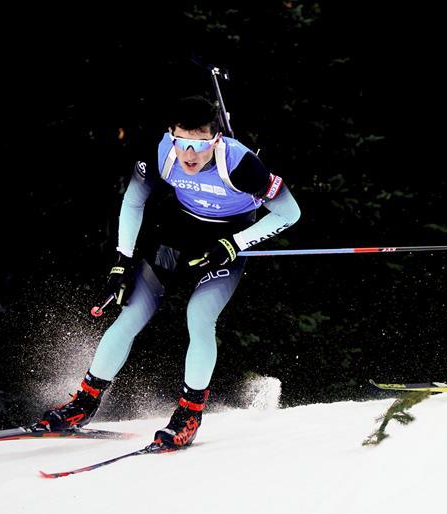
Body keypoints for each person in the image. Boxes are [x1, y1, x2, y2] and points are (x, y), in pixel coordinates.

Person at [33, 95, 300, 448]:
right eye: (181, 142)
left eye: (199, 144)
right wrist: (121, 260)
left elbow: (289, 213)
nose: (189, 154)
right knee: (130, 314)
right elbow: (133, 200)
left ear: (216, 138)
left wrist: (235, 243)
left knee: (199, 317)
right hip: (179, 236)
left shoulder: (242, 165)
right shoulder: (160, 152)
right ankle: (83, 404)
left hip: (223, 244)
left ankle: (189, 415)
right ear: (171, 135)